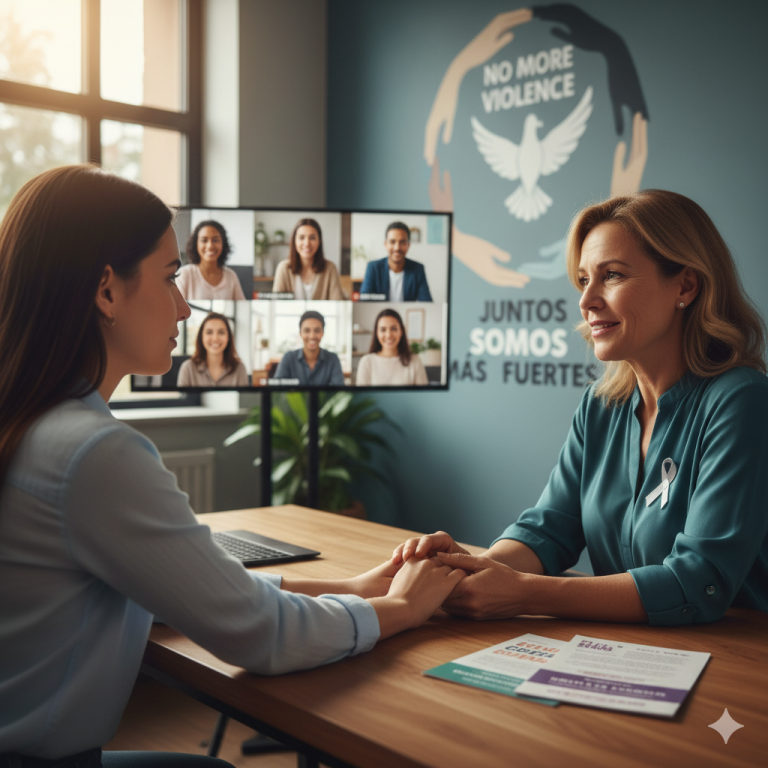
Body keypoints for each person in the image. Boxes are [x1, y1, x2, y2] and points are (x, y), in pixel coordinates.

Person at [0, 165, 467, 768]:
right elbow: (261, 634)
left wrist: (355, 588)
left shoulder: (31, 424)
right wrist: (401, 609)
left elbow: (188, 590)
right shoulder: (92, 453)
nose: (185, 307)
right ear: (106, 291)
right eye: (171, 277)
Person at [394, 190, 768, 626]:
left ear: (685, 286)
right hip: (625, 648)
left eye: (612, 275)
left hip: (732, 656)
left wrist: (524, 593)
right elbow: (549, 530)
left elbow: (699, 582)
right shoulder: (600, 405)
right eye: (584, 279)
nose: (586, 300)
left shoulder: (742, 400)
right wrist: (475, 570)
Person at [272, 218, 345, 300]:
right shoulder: (283, 268)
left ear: (319, 241)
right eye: (301, 237)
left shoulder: (330, 268)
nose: (307, 243)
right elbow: (276, 303)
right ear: (294, 241)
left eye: (312, 238)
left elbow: (337, 302)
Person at [359, 222, 433, 301]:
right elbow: (364, 300)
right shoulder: (373, 268)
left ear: (408, 245)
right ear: (385, 244)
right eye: (392, 242)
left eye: (402, 242)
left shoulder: (417, 269)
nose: (397, 248)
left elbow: (427, 302)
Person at [176, 220, 247, 301]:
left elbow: (242, 305)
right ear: (196, 244)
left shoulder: (231, 276)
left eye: (215, 240)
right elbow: (176, 306)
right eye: (204, 240)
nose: (210, 246)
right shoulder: (185, 274)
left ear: (223, 244)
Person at [356, 309, 429, 386]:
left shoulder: (415, 361)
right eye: (383, 330)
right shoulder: (366, 362)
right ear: (376, 333)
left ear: (401, 331)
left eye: (394, 329)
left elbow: (424, 392)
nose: (388, 335)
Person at [273, 310, 345, 386]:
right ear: (300, 333)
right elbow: (276, 388)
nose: (312, 336)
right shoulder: (288, 358)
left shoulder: (333, 359)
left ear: (322, 333)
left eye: (317, 331)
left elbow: (339, 389)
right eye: (307, 331)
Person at [177, 312, 249, 387]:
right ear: (201, 337)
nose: (215, 338)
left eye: (221, 332)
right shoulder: (188, 368)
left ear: (228, 337)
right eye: (209, 332)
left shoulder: (239, 368)